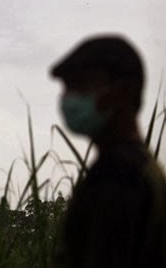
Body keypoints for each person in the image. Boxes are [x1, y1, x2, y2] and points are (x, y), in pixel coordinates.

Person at [50, 34, 166, 268]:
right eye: (66, 88)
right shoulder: (145, 169)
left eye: (80, 85)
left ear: (123, 91)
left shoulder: (117, 177)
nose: (67, 98)